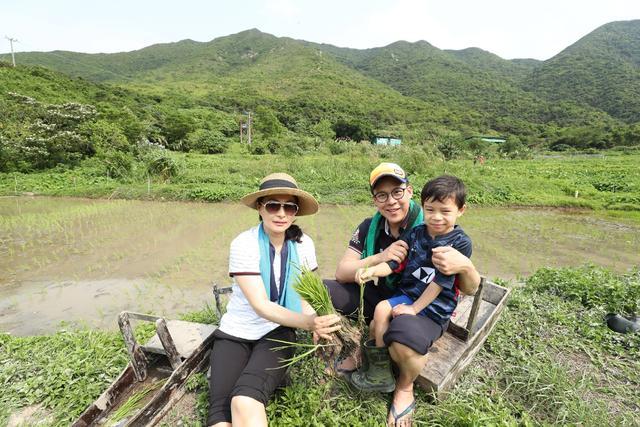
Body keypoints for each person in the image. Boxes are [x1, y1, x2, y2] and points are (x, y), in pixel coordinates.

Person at [323, 163, 480, 426]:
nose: (391, 201)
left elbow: (465, 286)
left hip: (420, 303)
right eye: (382, 195)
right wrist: (375, 262)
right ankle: (375, 363)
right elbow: (345, 271)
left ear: (409, 192)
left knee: (402, 335)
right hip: (389, 295)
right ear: (375, 199)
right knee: (329, 290)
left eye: (397, 191)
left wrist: (465, 266)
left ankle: (404, 387)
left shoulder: (432, 228)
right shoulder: (371, 228)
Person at [207, 173, 341, 427]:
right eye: (273, 205)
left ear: (296, 212)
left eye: (289, 207)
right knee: (219, 416)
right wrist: (309, 323)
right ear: (260, 207)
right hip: (236, 331)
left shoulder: (303, 244)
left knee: (244, 400)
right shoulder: (244, 243)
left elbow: (307, 293)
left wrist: (314, 318)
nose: (281, 213)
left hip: (277, 331)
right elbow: (260, 305)